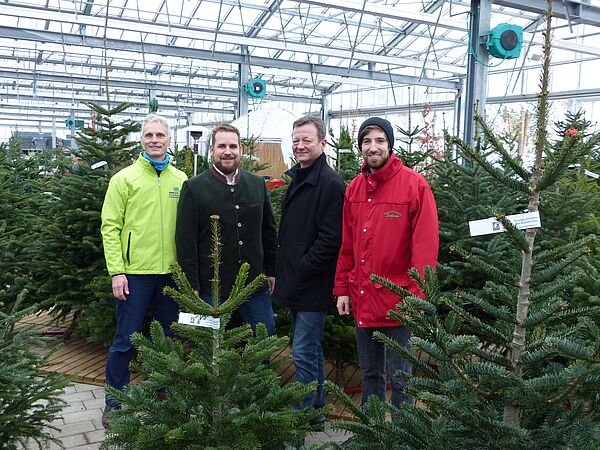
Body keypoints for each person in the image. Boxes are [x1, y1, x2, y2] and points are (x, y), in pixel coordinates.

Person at [334, 117, 439, 408]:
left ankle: (403, 434)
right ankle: (373, 431)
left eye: (380, 140)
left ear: (390, 144)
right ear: (360, 147)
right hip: (364, 295)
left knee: (401, 376)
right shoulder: (354, 189)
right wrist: (343, 288)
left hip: (399, 300)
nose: (373, 147)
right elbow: (347, 246)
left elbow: (425, 248)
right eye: (367, 141)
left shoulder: (414, 186)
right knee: (370, 374)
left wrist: (417, 296)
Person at [100, 114, 188, 428]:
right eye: (149, 135)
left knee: (169, 340)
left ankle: (169, 395)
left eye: (160, 135)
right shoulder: (124, 179)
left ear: (169, 140)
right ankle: (116, 402)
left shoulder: (181, 180)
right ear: (141, 140)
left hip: (170, 274)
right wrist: (117, 271)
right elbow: (110, 227)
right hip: (134, 273)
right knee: (126, 340)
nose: (155, 140)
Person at [272, 116, 345, 426]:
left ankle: (302, 412)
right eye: (296, 140)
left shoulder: (329, 183)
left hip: (312, 283)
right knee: (310, 348)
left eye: (307, 140)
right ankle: (315, 408)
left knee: (302, 349)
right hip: (297, 280)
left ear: (322, 143)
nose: (300, 145)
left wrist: (302, 268)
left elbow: (331, 238)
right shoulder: (300, 178)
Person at [176, 123, 277, 336]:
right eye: (222, 146)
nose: (228, 152)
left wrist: (271, 271)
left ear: (241, 150)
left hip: (254, 283)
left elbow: (268, 231)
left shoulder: (257, 184)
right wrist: (191, 284)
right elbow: (186, 241)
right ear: (212, 150)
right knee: (210, 344)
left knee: (264, 336)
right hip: (211, 287)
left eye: (233, 146)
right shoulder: (194, 188)